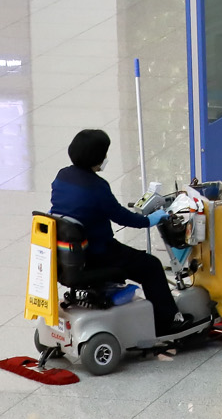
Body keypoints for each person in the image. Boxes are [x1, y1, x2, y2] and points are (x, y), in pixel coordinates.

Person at [49, 129, 199, 334]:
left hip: (68, 253)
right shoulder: (97, 187)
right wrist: (150, 219)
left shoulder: (62, 176)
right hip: (98, 253)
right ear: (97, 156)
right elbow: (122, 217)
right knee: (151, 266)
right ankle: (168, 322)